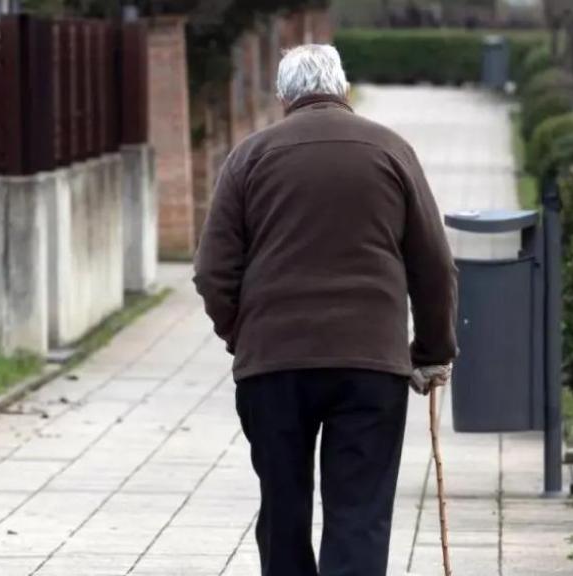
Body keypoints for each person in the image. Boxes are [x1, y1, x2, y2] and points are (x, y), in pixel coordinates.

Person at [193, 44, 457, 576]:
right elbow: (434, 265)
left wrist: (243, 337)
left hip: (274, 367)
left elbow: (212, 272)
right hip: (370, 368)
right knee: (359, 514)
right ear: (343, 87)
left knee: (284, 510)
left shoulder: (250, 156)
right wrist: (432, 352)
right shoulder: (391, 151)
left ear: (282, 97)